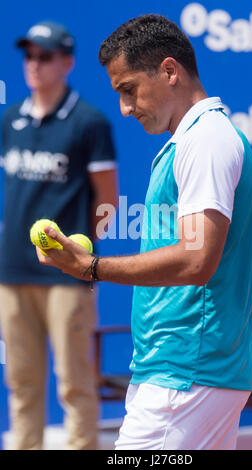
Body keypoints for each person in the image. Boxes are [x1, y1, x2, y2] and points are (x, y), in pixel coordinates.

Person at [35, 14, 252, 450]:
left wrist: (91, 268)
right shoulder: (199, 139)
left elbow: (198, 260)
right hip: (190, 373)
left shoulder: (206, 140)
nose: (124, 107)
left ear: (170, 71)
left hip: (185, 373)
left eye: (128, 89)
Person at [0, 21, 118, 450]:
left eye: (45, 55)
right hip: (12, 272)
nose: (34, 64)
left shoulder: (89, 121)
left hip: (68, 274)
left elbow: (107, 202)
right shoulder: (9, 118)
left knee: (74, 383)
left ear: (67, 62)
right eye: (29, 55)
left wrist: (79, 257)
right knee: (22, 383)